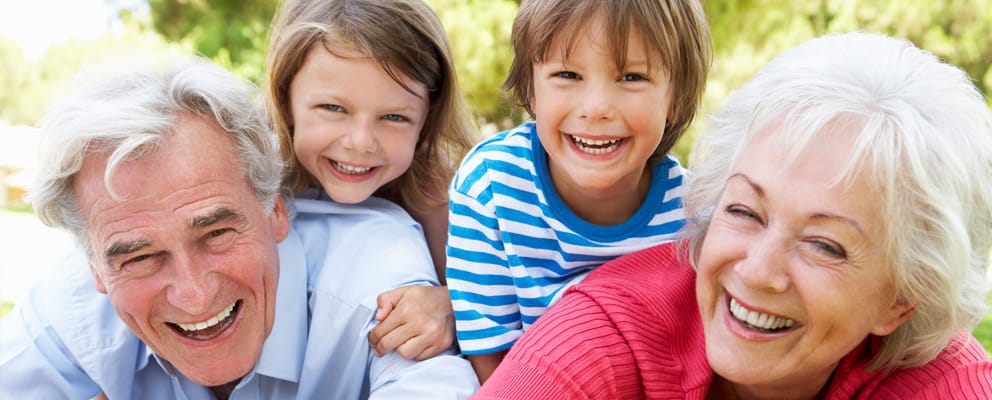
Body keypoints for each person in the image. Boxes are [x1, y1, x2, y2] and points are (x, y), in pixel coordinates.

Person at [473, 32, 992, 399]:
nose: (756, 271)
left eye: (825, 245)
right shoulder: (603, 335)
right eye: (745, 211)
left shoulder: (943, 380)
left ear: (901, 300)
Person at [0, 56, 479, 399]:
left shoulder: (375, 273)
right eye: (140, 257)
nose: (193, 295)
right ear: (95, 267)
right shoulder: (70, 308)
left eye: (216, 234)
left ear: (274, 210)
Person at [445, 0, 712, 381]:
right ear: (531, 88)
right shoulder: (491, 188)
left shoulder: (690, 216)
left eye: (632, 77)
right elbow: (490, 358)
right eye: (568, 74)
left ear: (676, 96)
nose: (596, 108)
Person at [266, 0, 476, 360]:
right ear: (286, 100)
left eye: (394, 117)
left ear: (427, 119)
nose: (361, 142)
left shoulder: (438, 191)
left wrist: (451, 305)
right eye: (333, 109)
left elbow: (492, 297)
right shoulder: (254, 178)